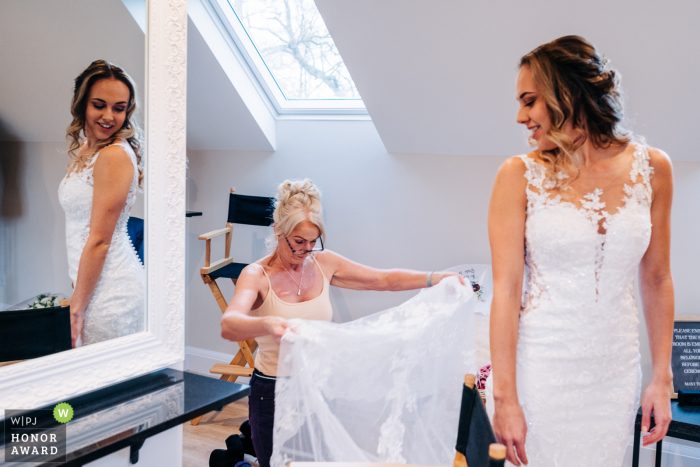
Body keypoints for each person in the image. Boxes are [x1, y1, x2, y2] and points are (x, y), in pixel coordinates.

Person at [488, 36, 673, 466]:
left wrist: (661, 377)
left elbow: (658, 278)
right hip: (544, 369)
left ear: (565, 94)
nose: (520, 117)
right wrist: (505, 397)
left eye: (530, 101)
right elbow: (507, 290)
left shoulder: (654, 169)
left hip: (616, 371)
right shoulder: (518, 175)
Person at [220, 179, 463, 467]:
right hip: (272, 393)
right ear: (278, 231)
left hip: (318, 387)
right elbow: (229, 324)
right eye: (298, 242)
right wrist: (269, 323)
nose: (306, 250)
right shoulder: (256, 275)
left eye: (313, 241)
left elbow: (383, 279)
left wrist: (435, 277)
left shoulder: (323, 262)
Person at [59, 60, 145, 347]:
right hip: (91, 286)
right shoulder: (88, 148)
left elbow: (99, 241)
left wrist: (76, 308)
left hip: (112, 293)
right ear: (82, 104)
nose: (109, 116)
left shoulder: (114, 156)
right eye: (99, 105)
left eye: (119, 108)